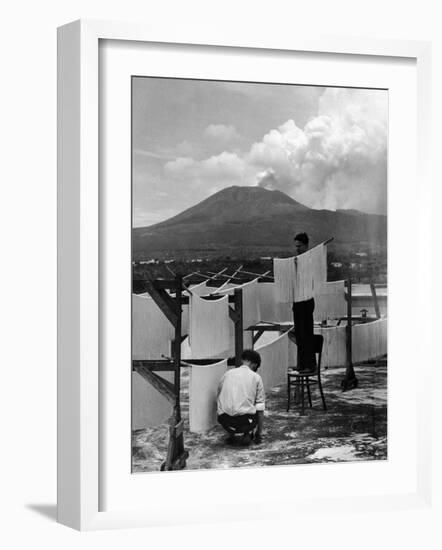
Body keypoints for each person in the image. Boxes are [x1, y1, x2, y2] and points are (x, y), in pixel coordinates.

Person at [217, 349, 265, 446]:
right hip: (245, 421)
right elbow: (260, 408)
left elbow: (219, 394)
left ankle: (231, 434)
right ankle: (247, 433)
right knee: (258, 407)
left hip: (224, 420)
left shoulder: (227, 374)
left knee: (228, 402)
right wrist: (259, 434)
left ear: (243, 360)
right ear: (254, 365)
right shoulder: (256, 377)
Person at [292, 232, 316, 372]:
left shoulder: (310, 259)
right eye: (296, 246)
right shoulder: (298, 260)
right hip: (298, 299)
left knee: (306, 333)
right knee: (300, 334)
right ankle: (302, 364)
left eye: (300, 246)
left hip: (306, 299)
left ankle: (309, 365)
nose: (297, 249)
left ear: (306, 245)